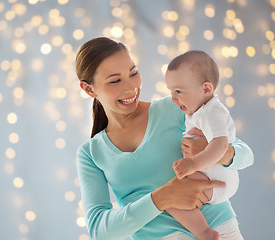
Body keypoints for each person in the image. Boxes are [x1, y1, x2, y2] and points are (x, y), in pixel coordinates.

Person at [75, 37, 254, 240]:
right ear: (89, 89)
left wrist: (216, 152)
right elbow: (99, 232)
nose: (131, 87)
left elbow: (246, 156)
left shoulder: (174, 108)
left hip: (220, 231)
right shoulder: (90, 153)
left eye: (133, 73)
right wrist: (161, 198)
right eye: (115, 80)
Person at [164, 50, 241, 240]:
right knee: (171, 195)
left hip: (217, 178)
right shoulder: (198, 111)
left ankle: (205, 233)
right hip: (213, 175)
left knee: (171, 198)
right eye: (171, 92)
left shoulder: (211, 113)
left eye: (179, 91)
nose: (173, 98)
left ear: (206, 89)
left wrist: (193, 164)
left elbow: (220, 146)